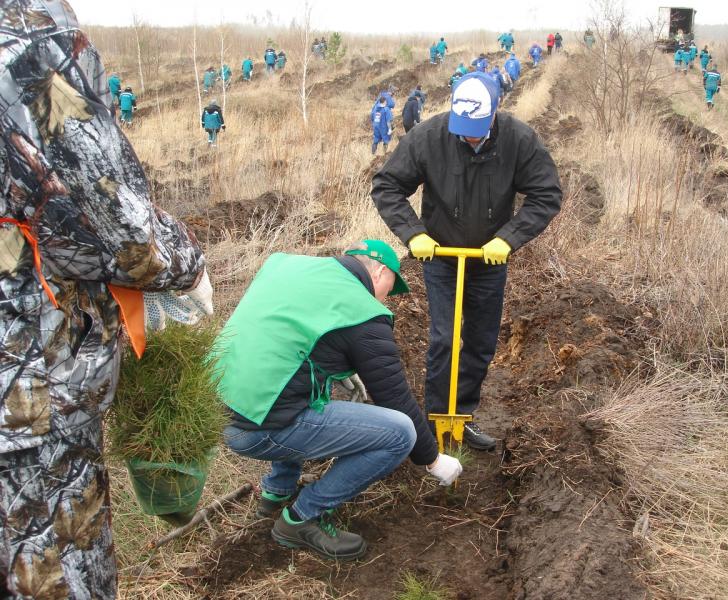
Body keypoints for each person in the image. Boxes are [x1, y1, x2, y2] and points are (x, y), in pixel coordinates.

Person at [0, 3, 207, 598]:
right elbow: (116, 224)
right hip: (26, 398)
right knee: (49, 568)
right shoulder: (29, 33)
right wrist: (187, 266)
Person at [217, 241, 462, 561]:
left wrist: (333, 365)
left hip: (219, 410)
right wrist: (432, 459)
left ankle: (276, 492)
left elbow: (286, 339)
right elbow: (395, 398)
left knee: (298, 389)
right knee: (401, 432)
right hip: (257, 430)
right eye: (392, 284)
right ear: (379, 271)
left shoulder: (289, 266)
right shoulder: (362, 310)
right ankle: (302, 517)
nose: (389, 295)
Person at [371, 72, 562, 451]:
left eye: (476, 128)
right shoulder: (429, 136)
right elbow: (387, 185)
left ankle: (462, 415)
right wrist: (414, 234)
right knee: (443, 339)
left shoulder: (519, 140)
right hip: (439, 254)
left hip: (489, 259)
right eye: (463, 128)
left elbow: (546, 193)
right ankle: (436, 422)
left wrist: (507, 240)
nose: (469, 136)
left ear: (495, 112)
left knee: (479, 341)